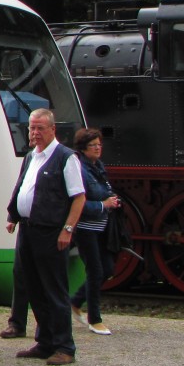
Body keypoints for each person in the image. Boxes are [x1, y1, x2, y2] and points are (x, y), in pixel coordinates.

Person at [5, 108, 85, 366]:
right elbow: (23, 188)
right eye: (31, 128)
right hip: (28, 229)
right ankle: (45, 340)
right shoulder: (30, 157)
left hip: (50, 232)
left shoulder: (65, 157)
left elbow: (78, 197)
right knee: (32, 286)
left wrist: (68, 229)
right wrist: (13, 216)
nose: (35, 133)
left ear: (52, 130)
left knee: (54, 289)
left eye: (40, 128)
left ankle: (65, 346)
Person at [70, 128, 119, 335]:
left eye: (99, 144)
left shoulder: (97, 166)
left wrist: (112, 201)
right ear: (83, 148)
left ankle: (75, 301)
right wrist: (103, 205)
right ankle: (95, 319)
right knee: (95, 270)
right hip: (85, 227)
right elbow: (77, 202)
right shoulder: (80, 169)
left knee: (107, 268)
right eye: (93, 145)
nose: (98, 148)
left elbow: (104, 192)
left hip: (101, 227)